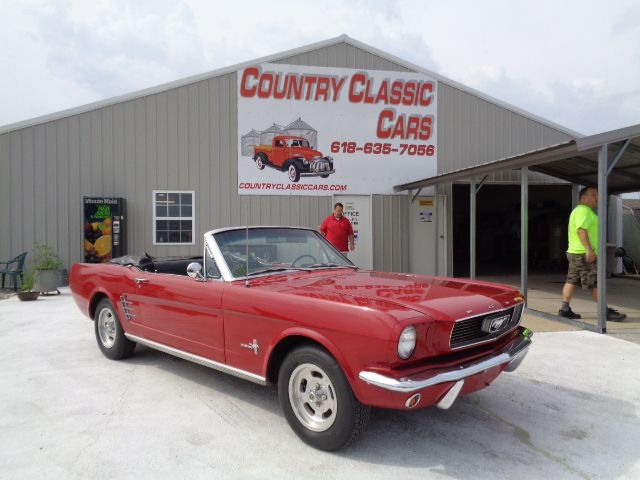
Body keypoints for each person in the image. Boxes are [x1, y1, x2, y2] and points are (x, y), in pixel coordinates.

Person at [559, 186, 626, 321]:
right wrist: (589, 250)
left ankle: (565, 309)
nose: (597, 197)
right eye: (594, 194)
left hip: (576, 253)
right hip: (583, 254)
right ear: (583, 198)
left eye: (597, 194)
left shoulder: (582, 211)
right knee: (595, 283)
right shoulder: (583, 211)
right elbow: (581, 231)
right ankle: (604, 312)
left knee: (572, 280)